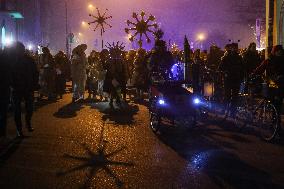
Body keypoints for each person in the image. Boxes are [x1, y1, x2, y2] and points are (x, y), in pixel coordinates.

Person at [252, 45, 284, 136]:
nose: (279, 52)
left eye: (280, 51)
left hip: (281, 85)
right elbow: (260, 69)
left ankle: (276, 125)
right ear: (274, 51)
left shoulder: (280, 60)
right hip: (272, 85)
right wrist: (253, 75)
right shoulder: (269, 61)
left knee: (278, 105)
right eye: (278, 51)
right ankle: (276, 126)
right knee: (275, 104)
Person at [10, 42, 39, 137]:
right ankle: (19, 129)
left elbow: (35, 72)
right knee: (17, 111)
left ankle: (28, 123)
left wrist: (35, 83)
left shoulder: (29, 60)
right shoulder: (12, 60)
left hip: (28, 87)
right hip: (16, 88)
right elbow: (8, 74)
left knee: (30, 109)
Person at [218, 43, 245, 118]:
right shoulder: (226, 57)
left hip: (236, 79)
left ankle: (232, 112)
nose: (234, 49)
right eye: (233, 48)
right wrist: (225, 73)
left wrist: (241, 77)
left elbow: (242, 69)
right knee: (227, 95)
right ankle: (224, 109)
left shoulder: (239, 58)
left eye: (235, 48)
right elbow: (220, 68)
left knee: (235, 97)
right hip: (228, 79)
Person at [0, 48, 11, 143]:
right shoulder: (8, 62)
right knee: (3, 111)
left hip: (4, 87)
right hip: (4, 88)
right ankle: (2, 133)